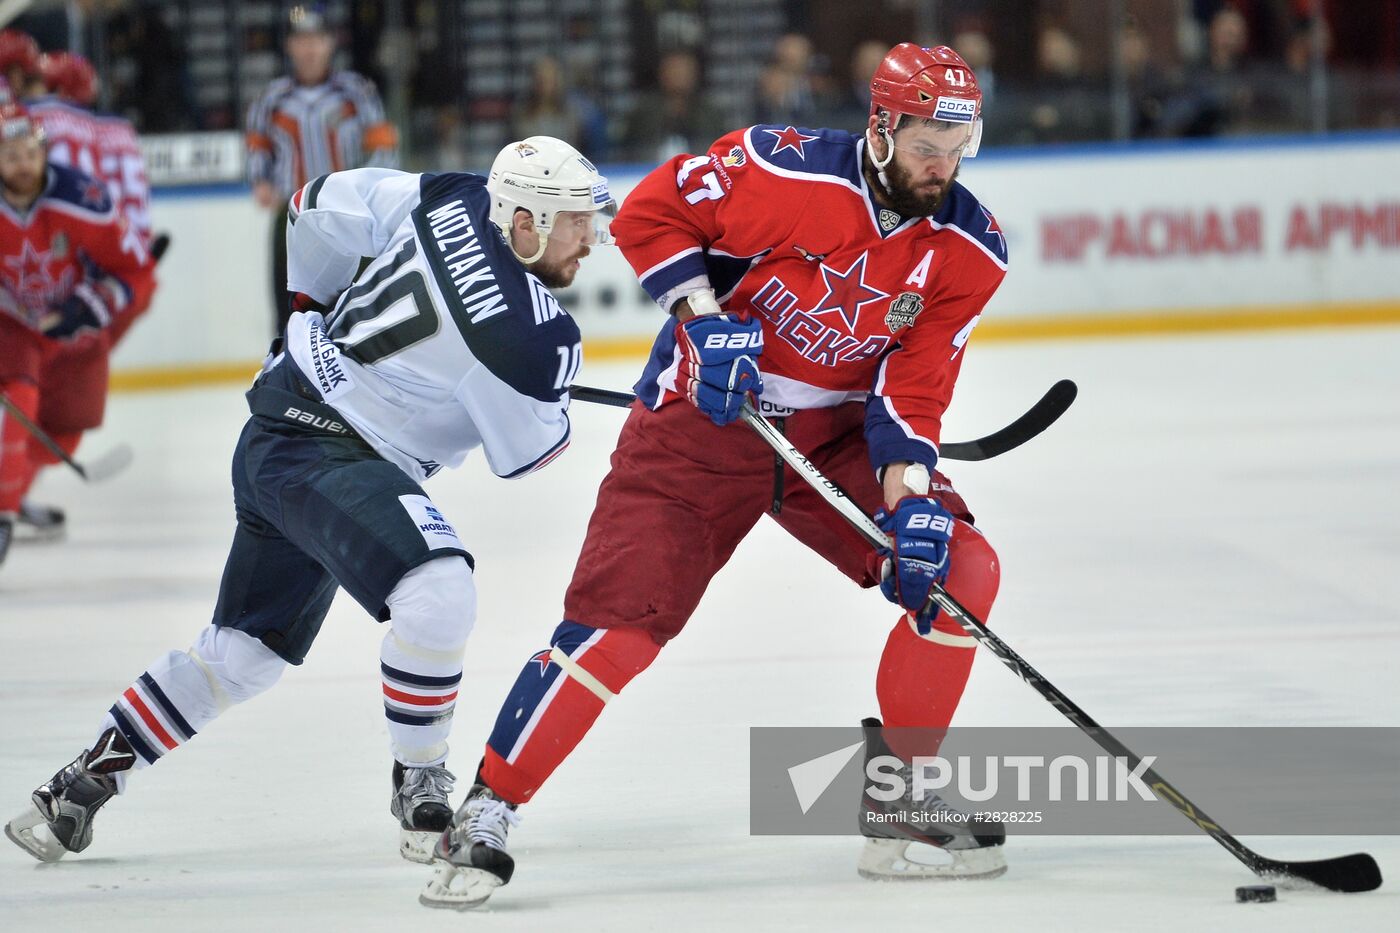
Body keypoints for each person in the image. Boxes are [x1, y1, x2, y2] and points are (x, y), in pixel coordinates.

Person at [421, 43, 1011, 910]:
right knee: (618, 625)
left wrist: (912, 505)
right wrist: (702, 322)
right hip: (701, 421)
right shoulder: (780, 168)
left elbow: (911, 391)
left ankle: (900, 799)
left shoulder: (970, 247)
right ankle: (487, 809)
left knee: (960, 571)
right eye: (930, 144)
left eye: (962, 147)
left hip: (835, 439)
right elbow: (650, 214)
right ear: (882, 127)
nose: (945, 166)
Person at [4, 136, 614, 871]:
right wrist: (545, 390)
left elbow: (314, 205)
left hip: (278, 423)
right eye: (577, 219)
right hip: (330, 453)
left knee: (244, 652)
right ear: (527, 221)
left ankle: (79, 785)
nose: (593, 235)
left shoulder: (453, 194)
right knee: (438, 587)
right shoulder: (538, 338)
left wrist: (309, 309)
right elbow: (529, 458)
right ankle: (419, 777)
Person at [0, 102, 155, 565]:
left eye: (28, 152)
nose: (21, 164)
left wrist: (84, 308)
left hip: (68, 325)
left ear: (44, 151)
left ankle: (12, 490)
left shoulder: (82, 197)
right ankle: (5, 511)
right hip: (10, 318)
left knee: (65, 433)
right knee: (20, 393)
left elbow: (134, 271)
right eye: (9, 155)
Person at [245, 3, 398, 337]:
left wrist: (368, 191)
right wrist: (261, 181)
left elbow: (384, 147)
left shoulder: (357, 92)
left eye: (317, 38)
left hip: (348, 213)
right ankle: (288, 372)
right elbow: (258, 145)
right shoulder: (272, 98)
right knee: (288, 302)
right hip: (291, 217)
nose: (310, 48)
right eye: (302, 40)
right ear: (290, 46)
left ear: (330, 43)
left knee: (357, 298)